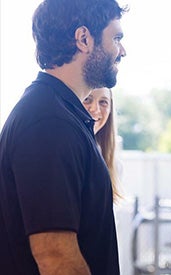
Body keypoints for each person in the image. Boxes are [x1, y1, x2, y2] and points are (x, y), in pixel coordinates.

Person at [0, 0, 127, 274]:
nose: (122, 51)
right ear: (83, 39)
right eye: (116, 38)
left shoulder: (63, 115)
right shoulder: (48, 122)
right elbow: (56, 258)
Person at [83, 87, 122, 202]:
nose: (95, 109)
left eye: (103, 102)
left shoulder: (116, 165)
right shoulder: (66, 153)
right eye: (87, 100)